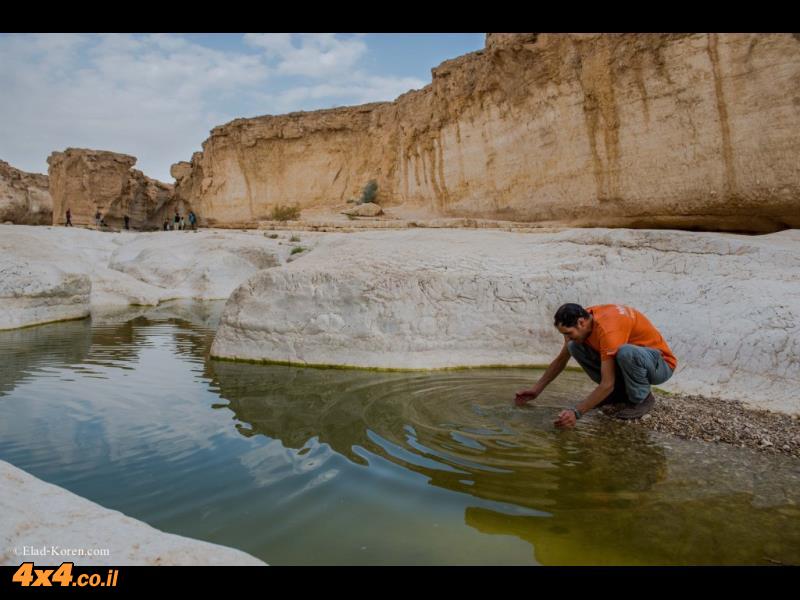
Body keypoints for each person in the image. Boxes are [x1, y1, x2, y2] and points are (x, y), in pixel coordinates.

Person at [515, 303, 677, 428]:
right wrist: (536, 389)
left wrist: (577, 413)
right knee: (574, 347)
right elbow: (561, 360)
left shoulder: (608, 331)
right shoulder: (586, 319)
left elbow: (607, 383)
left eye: (568, 333)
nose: (567, 338)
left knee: (626, 352)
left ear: (581, 323)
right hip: (632, 364)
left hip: (660, 366)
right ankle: (618, 395)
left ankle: (642, 398)